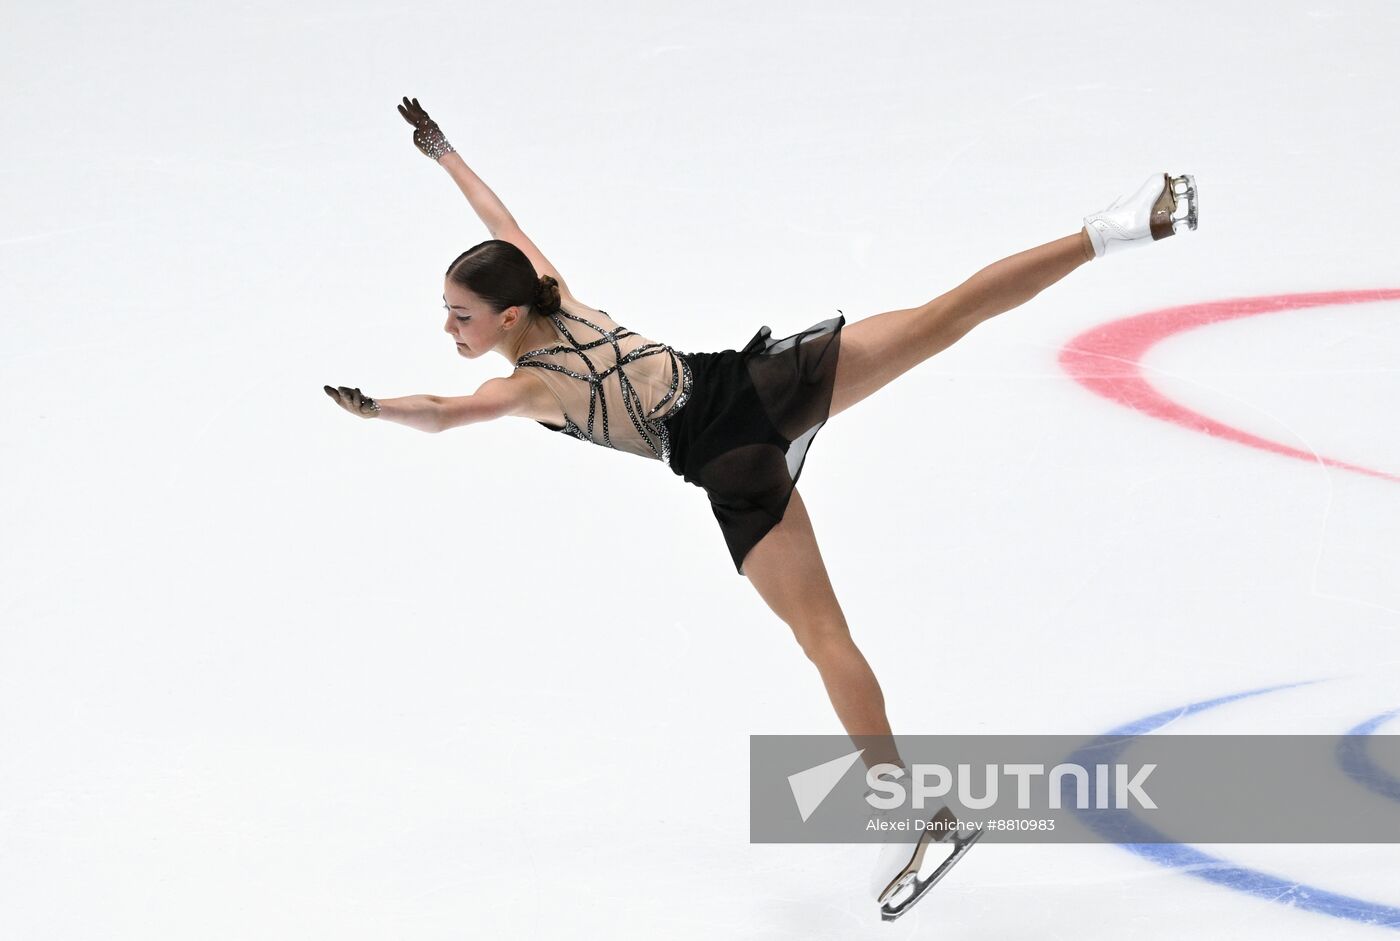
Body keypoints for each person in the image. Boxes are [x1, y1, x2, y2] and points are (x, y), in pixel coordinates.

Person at [325, 96, 1199, 919]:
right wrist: (444, 152)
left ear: (508, 312)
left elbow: (446, 413)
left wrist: (376, 410)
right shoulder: (552, 287)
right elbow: (501, 222)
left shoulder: (525, 387)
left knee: (825, 640)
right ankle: (1123, 224)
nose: (450, 328)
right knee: (947, 315)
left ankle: (925, 818)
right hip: (751, 382)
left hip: (731, 463)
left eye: (459, 314)